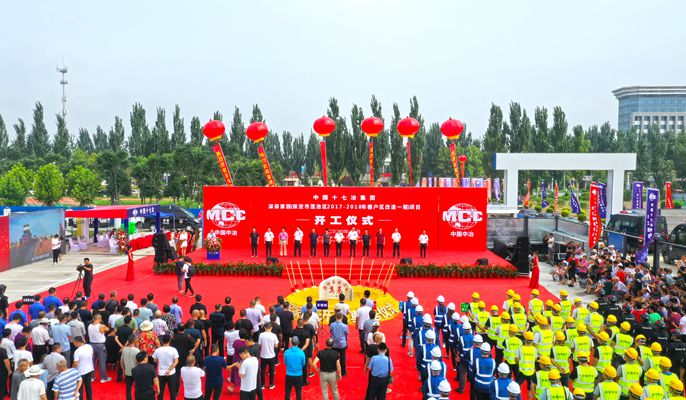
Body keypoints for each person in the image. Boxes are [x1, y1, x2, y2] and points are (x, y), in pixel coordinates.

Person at [152, 334, 179, 400]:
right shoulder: (173, 349)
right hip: (171, 373)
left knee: (160, 392)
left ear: (162, 341)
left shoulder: (158, 350)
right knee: (172, 392)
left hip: (161, 373)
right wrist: (169, 370)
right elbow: (176, 362)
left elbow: (154, 360)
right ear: (169, 340)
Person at [87, 314, 111, 383]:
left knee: (92, 362)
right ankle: (103, 378)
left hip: (91, 345)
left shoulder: (89, 326)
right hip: (100, 345)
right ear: (99, 319)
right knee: (102, 362)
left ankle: (92, 377)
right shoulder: (101, 326)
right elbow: (108, 329)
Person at [258, 322, 279, 390]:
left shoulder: (261, 335)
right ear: (271, 328)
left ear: (264, 328)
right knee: (271, 371)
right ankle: (271, 384)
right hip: (271, 356)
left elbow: (259, 344)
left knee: (262, 371)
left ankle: (262, 385)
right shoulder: (274, 335)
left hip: (263, 355)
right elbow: (276, 345)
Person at [120, 336, 139, 400]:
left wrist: (123, 370)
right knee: (137, 388)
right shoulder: (137, 350)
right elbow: (139, 362)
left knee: (128, 389)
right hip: (136, 373)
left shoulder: (124, 349)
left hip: (127, 372)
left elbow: (121, 361)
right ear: (134, 341)